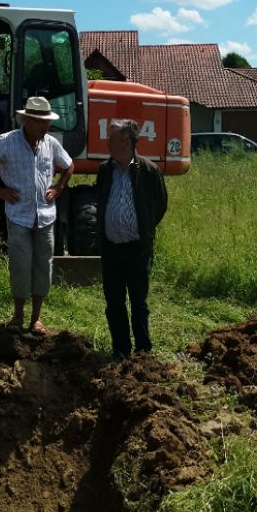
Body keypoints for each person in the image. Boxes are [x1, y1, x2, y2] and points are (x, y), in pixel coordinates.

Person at [0, 95, 74, 334]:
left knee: (43, 265)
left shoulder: (50, 143)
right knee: (20, 265)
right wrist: (0, 190)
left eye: (47, 122)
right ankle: (18, 316)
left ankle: (36, 319)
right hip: (18, 215)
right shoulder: (6, 141)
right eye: (41, 122)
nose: (46, 126)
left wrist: (59, 187)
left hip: (46, 216)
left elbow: (70, 165)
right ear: (27, 120)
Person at [96, 118, 168, 359]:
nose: (107, 142)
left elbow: (159, 206)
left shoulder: (149, 171)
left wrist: (142, 229)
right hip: (111, 250)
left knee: (139, 303)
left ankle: (143, 351)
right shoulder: (105, 171)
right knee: (114, 303)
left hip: (137, 250)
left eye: (111, 137)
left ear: (126, 142)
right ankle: (121, 349)